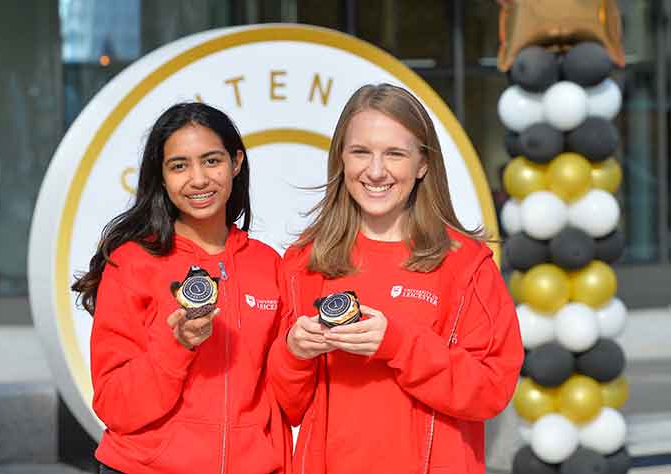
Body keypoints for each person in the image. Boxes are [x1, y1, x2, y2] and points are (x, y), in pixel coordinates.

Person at [267, 84, 523, 474]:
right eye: (361, 152)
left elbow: (491, 390)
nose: (375, 171)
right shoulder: (304, 262)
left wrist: (398, 344)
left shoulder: (466, 264)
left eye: (394, 154)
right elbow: (288, 405)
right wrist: (294, 353)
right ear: (341, 159)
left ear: (422, 164)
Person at [72, 102, 292, 474]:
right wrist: (177, 345)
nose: (199, 179)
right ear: (161, 176)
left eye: (211, 161)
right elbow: (114, 406)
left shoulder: (268, 264)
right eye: (179, 166)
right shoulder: (132, 262)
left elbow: (282, 396)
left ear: (236, 163)